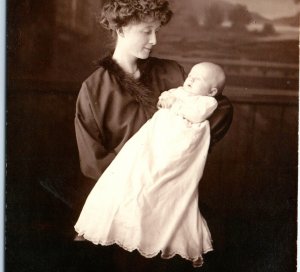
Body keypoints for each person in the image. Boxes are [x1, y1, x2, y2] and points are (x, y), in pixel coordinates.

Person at [74, 61, 226, 267]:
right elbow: (165, 100)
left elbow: (198, 114)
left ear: (212, 91)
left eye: (197, 79)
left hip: (175, 148)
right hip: (146, 147)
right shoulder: (94, 86)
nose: (189, 79)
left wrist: (175, 104)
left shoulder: (207, 102)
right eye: (190, 75)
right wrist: (167, 99)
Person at [74, 0, 233, 183]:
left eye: (156, 31)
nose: (154, 40)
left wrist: (185, 146)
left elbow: (221, 108)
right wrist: (142, 176)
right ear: (121, 29)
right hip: (124, 191)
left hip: (173, 184)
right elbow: (92, 162)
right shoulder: (93, 90)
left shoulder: (171, 73)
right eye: (146, 31)